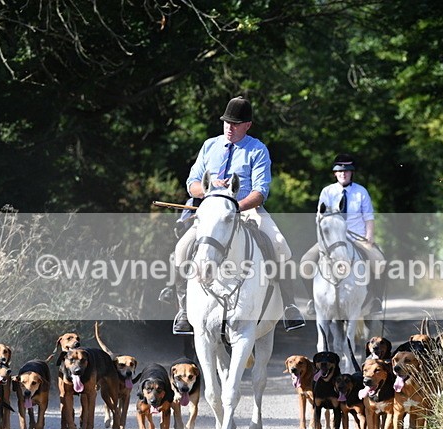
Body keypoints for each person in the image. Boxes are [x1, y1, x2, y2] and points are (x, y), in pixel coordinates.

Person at [165, 96, 306, 335]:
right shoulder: (209, 146)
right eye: (226, 122)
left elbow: (261, 191)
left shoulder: (257, 149)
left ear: (247, 125)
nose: (229, 127)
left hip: (246, 209)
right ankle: (184, 311)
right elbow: (192, 184)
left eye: (235, 123)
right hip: (211, 211)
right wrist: (209, 190)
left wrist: (235, 207)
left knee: (280, 245)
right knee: (181, 248)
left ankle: (290, 306)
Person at [301, 153, 386, 317]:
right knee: (306, 262)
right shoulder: (327, 192)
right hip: (332, 240)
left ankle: (376, 299)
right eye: (340, 171)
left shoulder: (361, 192)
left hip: (357, 238)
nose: (343, 174)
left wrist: (370, 236)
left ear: (351, 172)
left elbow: (369, 217)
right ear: (335, 173)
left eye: (346, 171)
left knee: (379, 262)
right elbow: (320, 218)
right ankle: (312, 299)